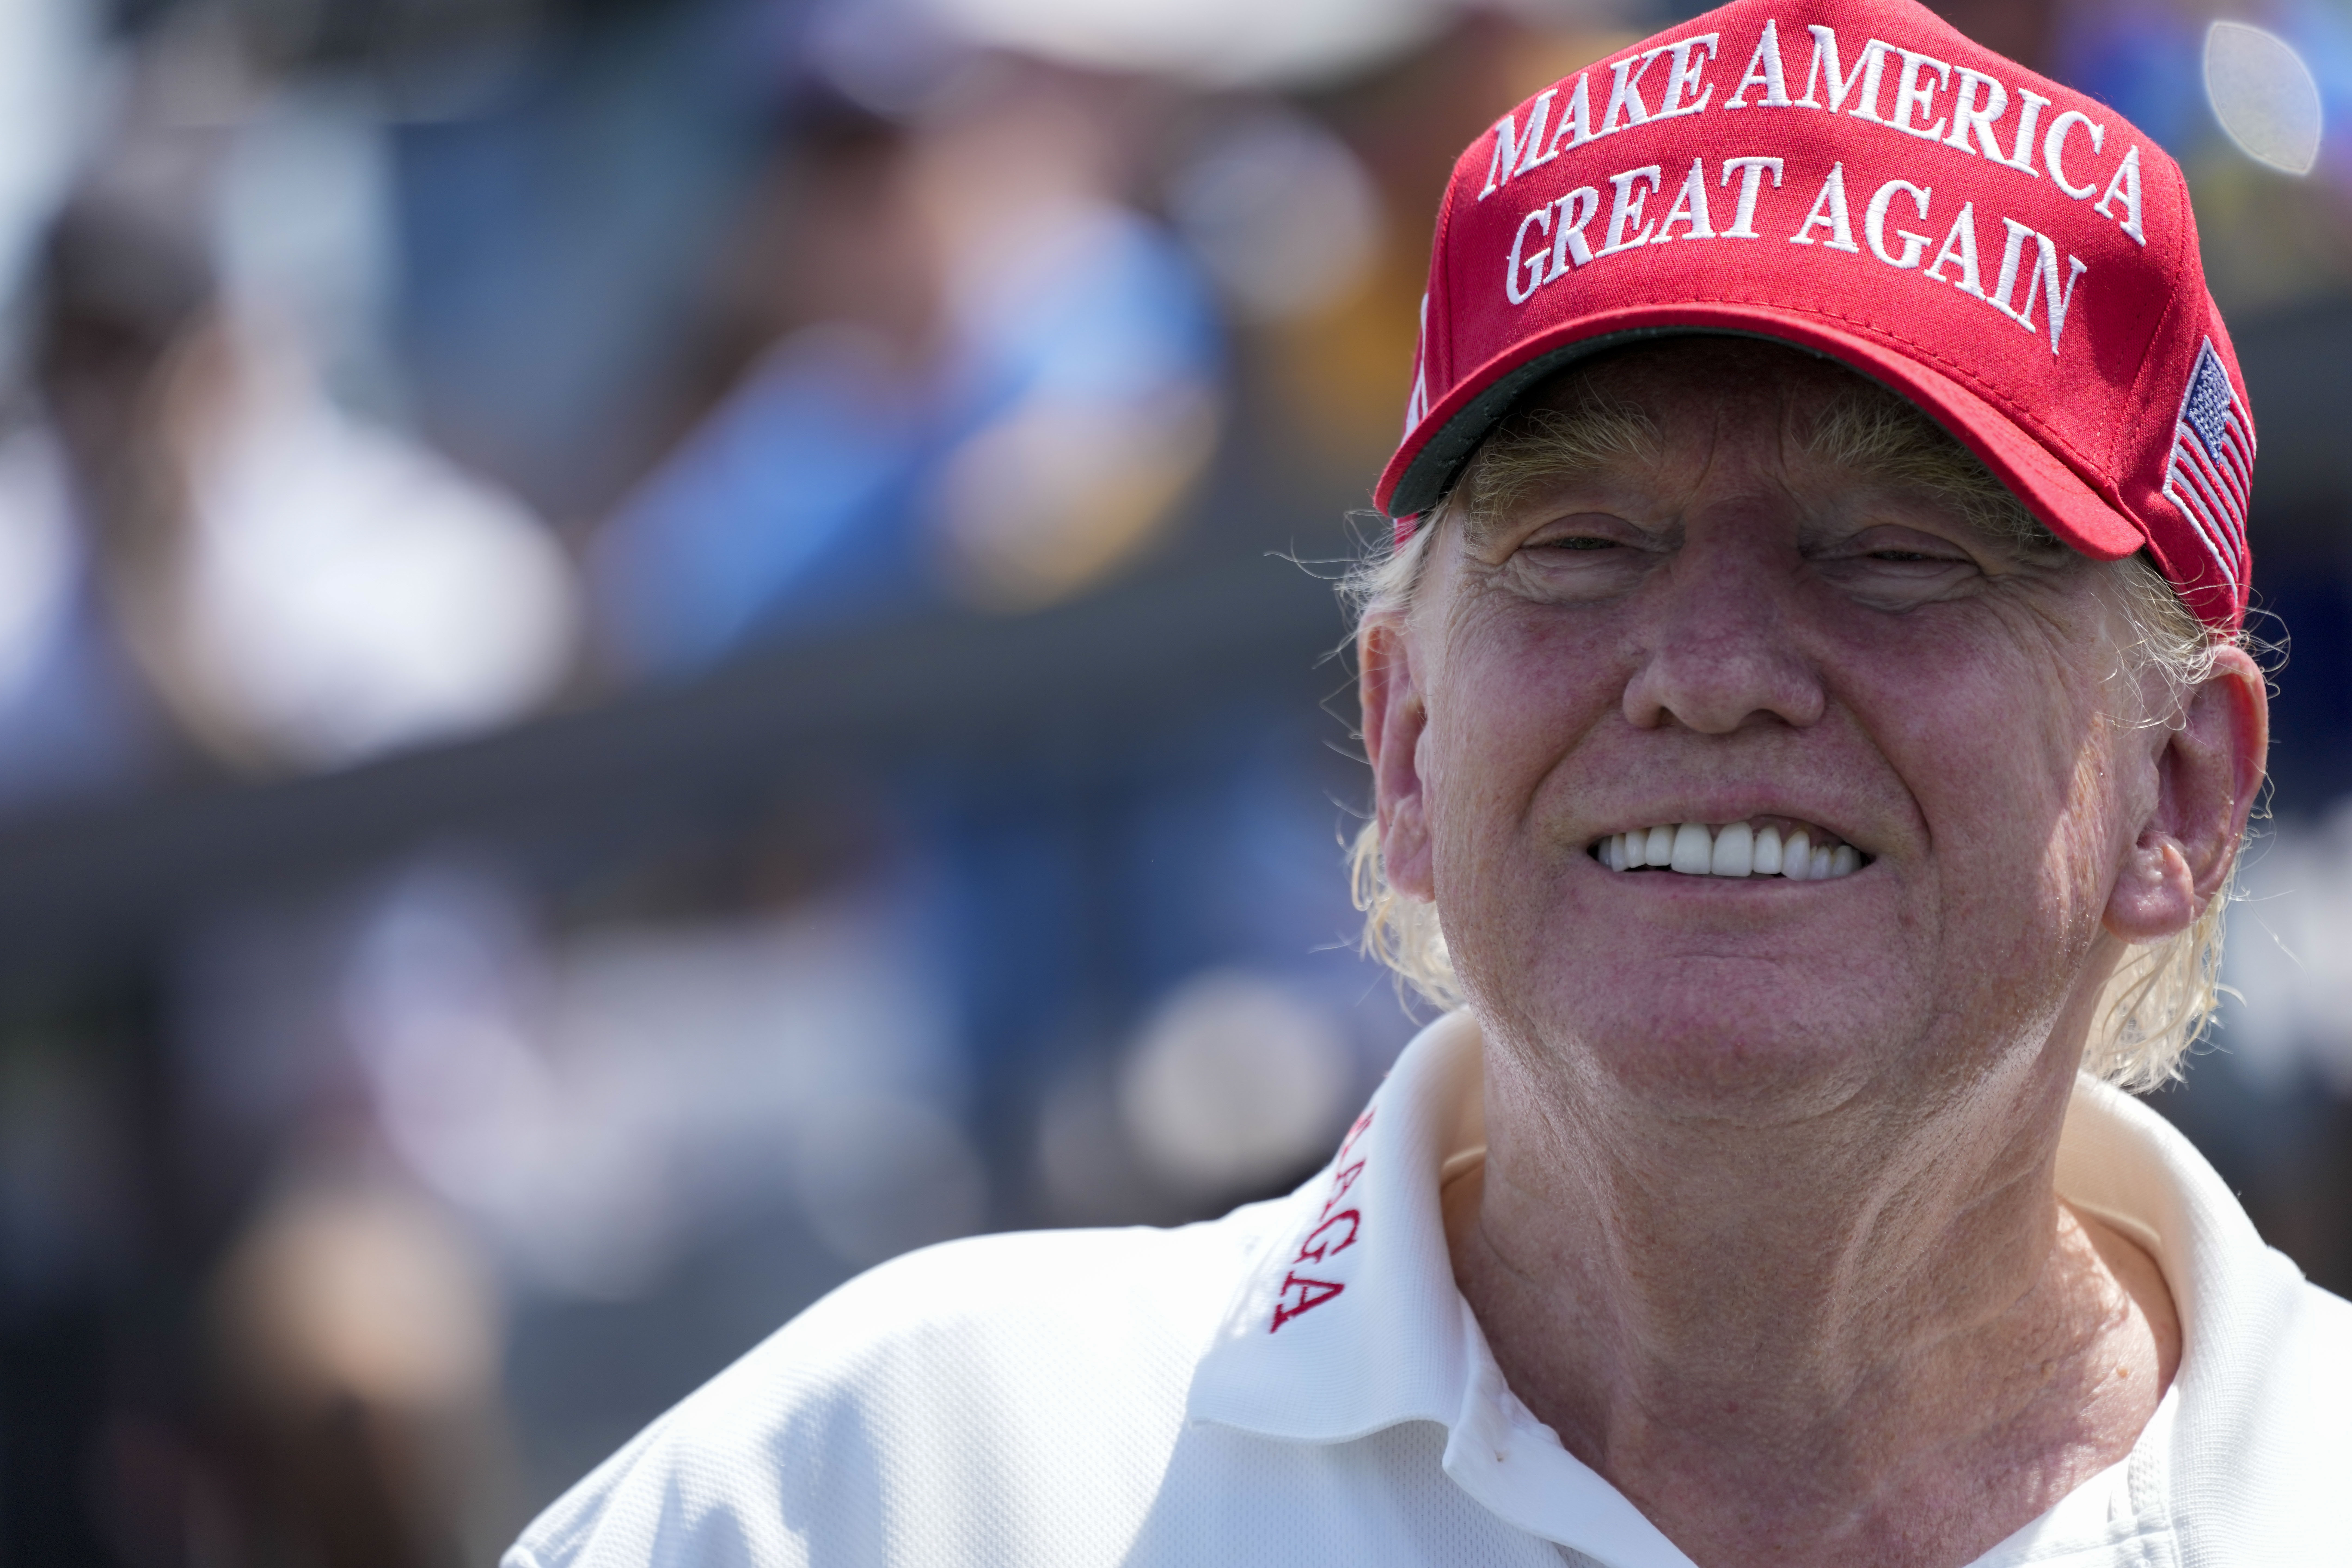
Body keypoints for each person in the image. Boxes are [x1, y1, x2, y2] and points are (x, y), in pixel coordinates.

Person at [504, 0, 2350, 1562]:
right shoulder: (892, 1489)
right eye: (1582, 544)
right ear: (1402, 739)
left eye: (1893, 554)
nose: (1706, 673)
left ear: (2179, 790)